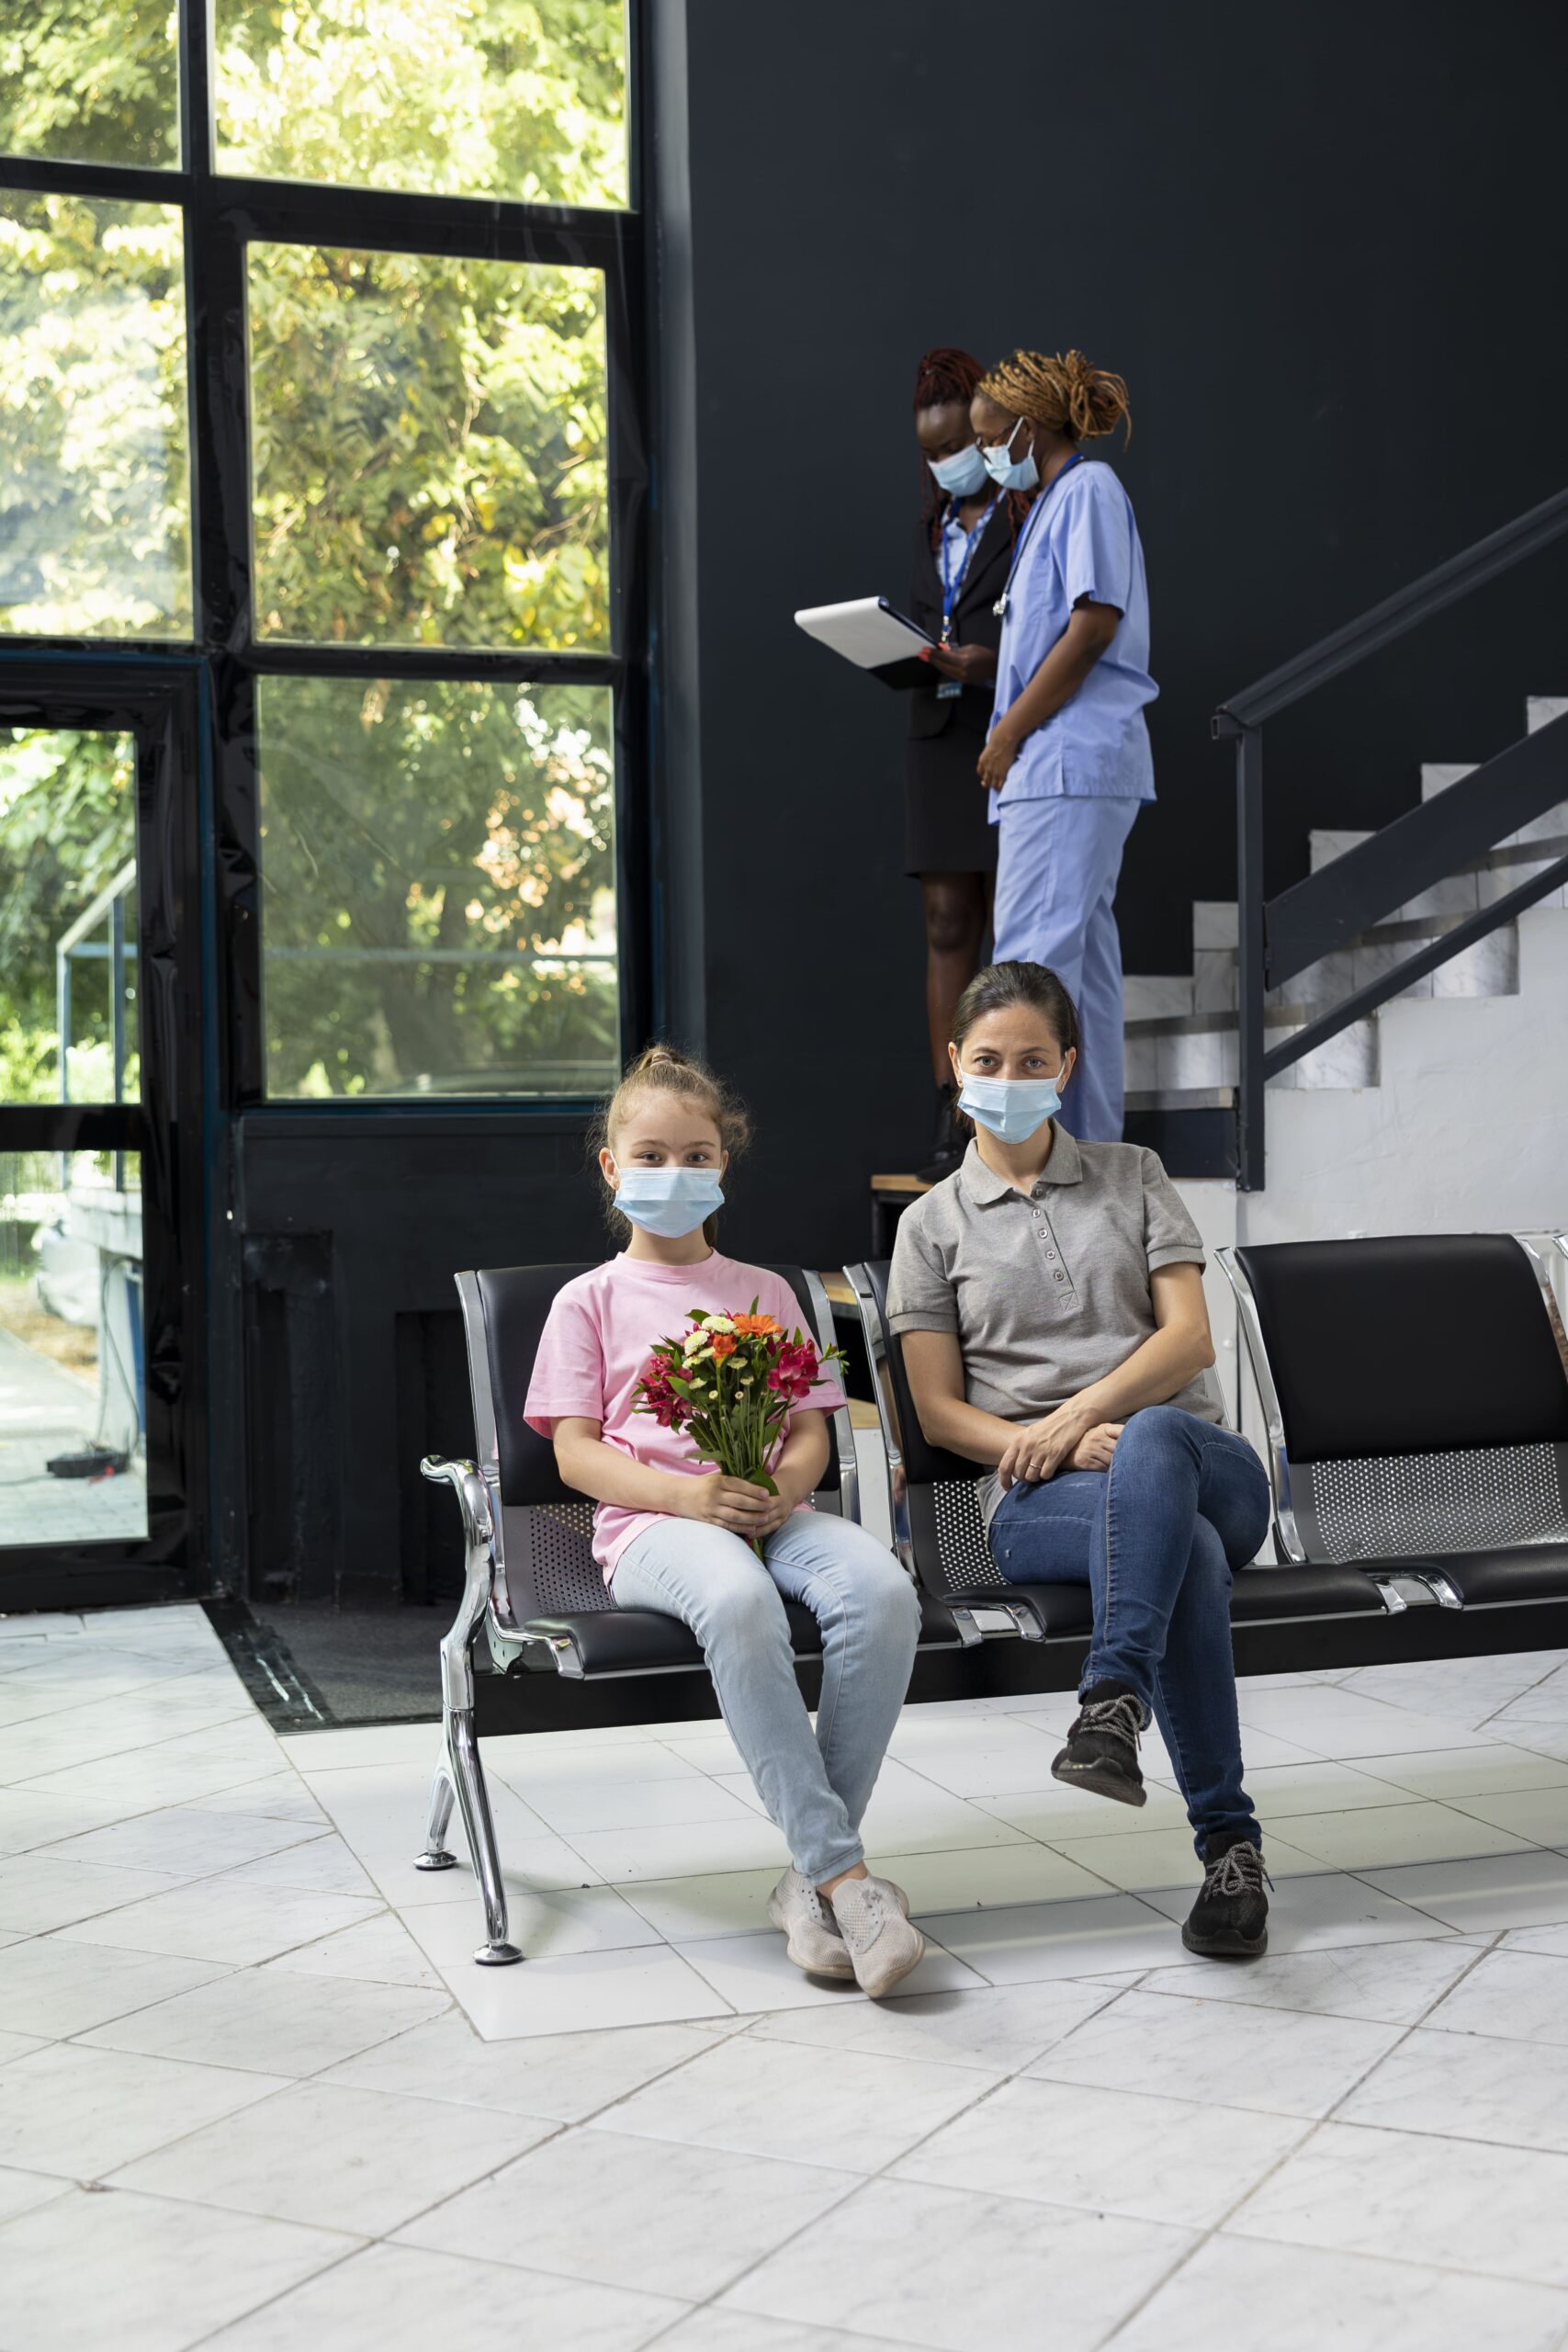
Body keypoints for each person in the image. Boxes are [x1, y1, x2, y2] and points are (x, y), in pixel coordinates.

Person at [886, 960, 1274, 1958]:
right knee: (1172, 1541)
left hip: (1203, 1461)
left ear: (1067, 1064)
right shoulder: (929, 1228)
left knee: (1160, 1455)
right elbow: (936, 1412)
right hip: (1037, 1501)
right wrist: (1046, 1446)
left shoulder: (1134, 1174)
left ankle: (1113, 1695)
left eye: (1030, 1058)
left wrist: (1083, 1417)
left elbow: (1188, 1340)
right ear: (952, 1064)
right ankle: (1227, 1846)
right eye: (986, 1058)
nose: (1007, 1074)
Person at [524, 1044, 927, 1996]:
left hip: (771, 1512)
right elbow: (576, 1452)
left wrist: (783, 1488)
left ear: (724, 1165)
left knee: (883, 1593)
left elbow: (810, 1434)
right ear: (612, 1166)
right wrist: (691, 1497)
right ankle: (849, 1879)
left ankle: (810, 1881)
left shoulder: (767, 1291)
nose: (677, 1173)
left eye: (697, 1154)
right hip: (653, 1529)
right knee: (740, 1601)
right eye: (653, 1155)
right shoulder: (586, 1301)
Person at [970, 349, 1157, 1143]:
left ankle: (1017, 1162)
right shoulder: (1052, 502)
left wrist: (1007, 732)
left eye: (988, 437)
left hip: (1062, 766)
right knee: (1082, 983)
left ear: (1028, 426)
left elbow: (1092, 625)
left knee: (1025, 978)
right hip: (1070, 769)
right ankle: (1090, 1156)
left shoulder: (1085, 489)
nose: (984, 455)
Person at [905, 347, 1022, 1179]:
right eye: (928, 452)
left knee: (1011, 922)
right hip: (934, 734)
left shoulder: (1029, 515)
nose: (943, 463)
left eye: (953, 445)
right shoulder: (929, 527)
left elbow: (1054, 625)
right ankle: (950, 1108)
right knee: (947, 921)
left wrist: (989, 664)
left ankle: (1006, 1093)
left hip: (1007, 729)